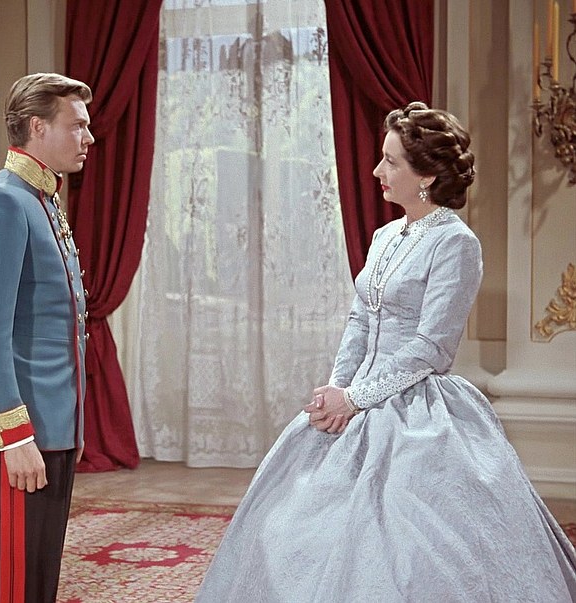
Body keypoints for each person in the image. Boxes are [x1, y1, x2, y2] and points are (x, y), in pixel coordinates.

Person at [196, 102, 576, 602]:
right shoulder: (384, 236)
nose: (377, 171)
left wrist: (357, 399)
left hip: (416, 405)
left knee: (409, 540)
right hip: (356, 393)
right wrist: (337, 389)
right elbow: (360, 320)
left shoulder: (455, 243)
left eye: (391, 161)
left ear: (426, 176)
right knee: (291, 521)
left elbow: (431, 348)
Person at [0, 72, 94, 603]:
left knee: (34, 580)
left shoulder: (42, 200)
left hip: (51, 427)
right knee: (13, 586)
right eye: (76, 125)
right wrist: (15, 437)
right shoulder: (4, 201)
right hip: (19, 432)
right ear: (38, 127)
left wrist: (66, 427)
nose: (87, 137)